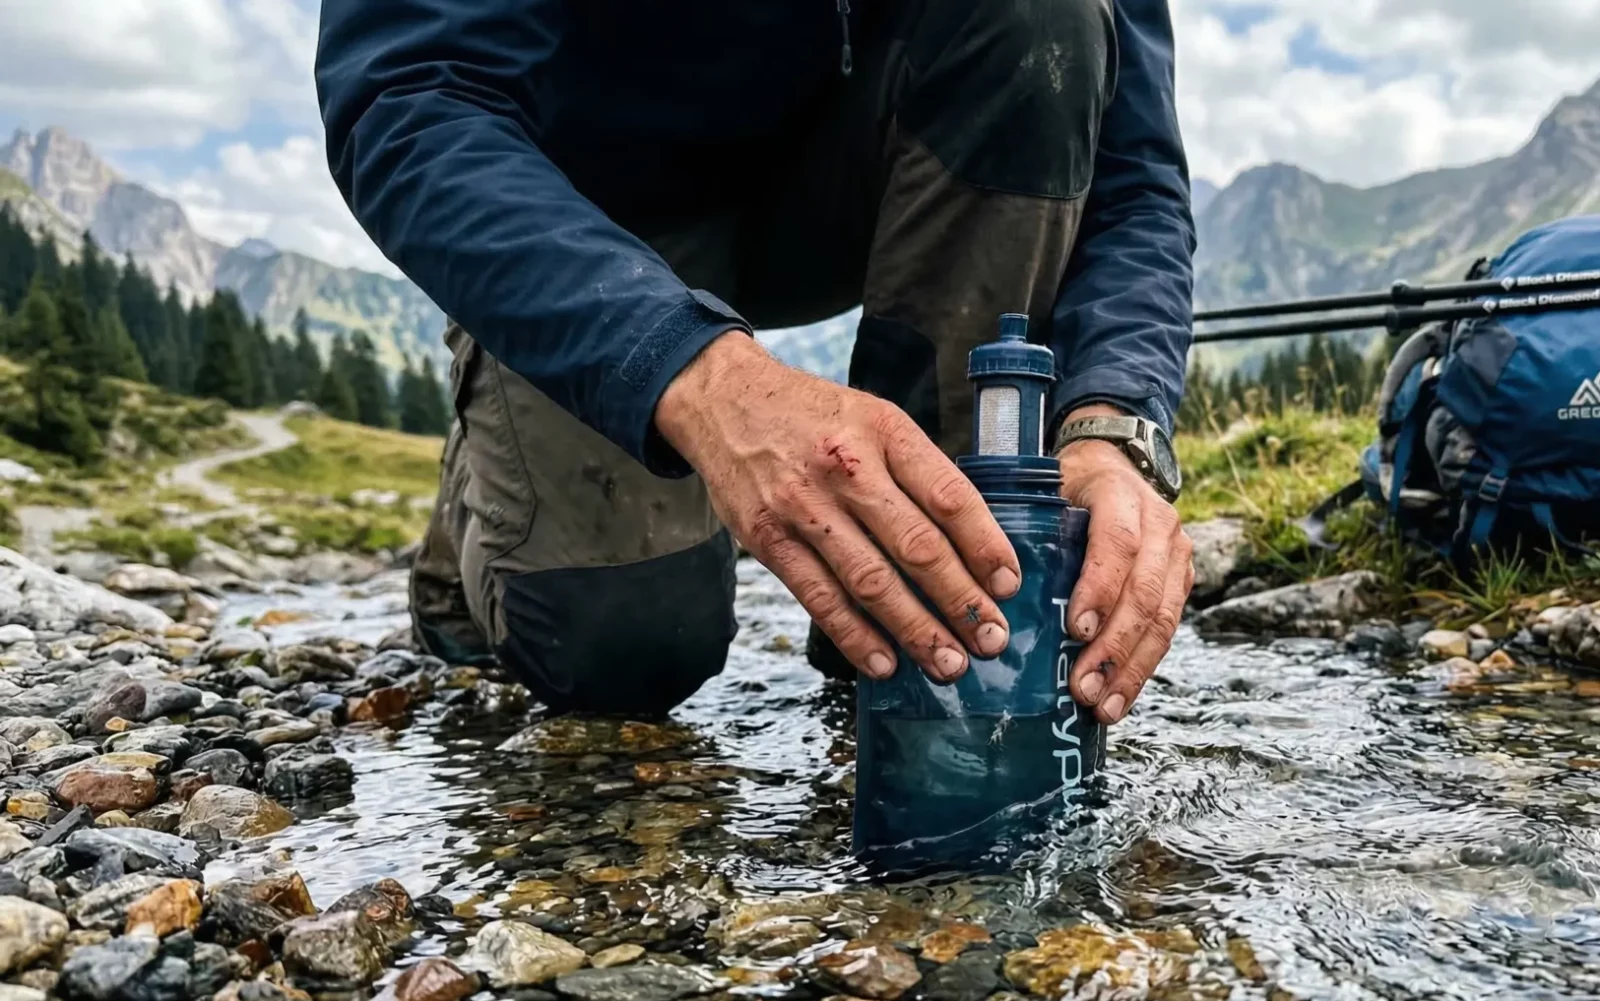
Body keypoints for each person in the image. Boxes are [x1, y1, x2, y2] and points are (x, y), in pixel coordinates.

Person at [315, 0, 1196, 726]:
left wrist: (1111, 426)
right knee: (627, 652)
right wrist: (693, 374)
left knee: (1044, 18)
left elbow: (1133, 170)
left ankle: (910, 605)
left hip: (858, 170)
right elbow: (408, 96)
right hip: (592, 210)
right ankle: (484, 483)